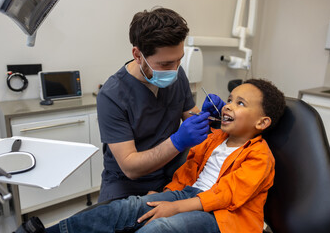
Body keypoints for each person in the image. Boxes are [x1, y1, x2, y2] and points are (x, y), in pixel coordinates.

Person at [28, 78, 285, 233]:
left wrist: (173, 207)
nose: (227, 105)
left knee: (159, 228)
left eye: (240, 103)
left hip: (225, 217)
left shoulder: (259, 157)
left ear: (262, 123)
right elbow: (188, 171)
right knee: (124, 209)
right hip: (189, 195)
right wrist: (166, 193)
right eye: (229, 99)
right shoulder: (216, 138)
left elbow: (224, 196)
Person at [96, 7, 224, 202]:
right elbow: (130, 167)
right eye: (165, 65)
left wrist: (207, 116)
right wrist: (177, 141)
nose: (174, 70)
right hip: (126, 185)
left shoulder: (176, 74)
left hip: (170, 174)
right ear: (138, 55)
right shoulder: (112, 96)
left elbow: (190, 113)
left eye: (178, 61)